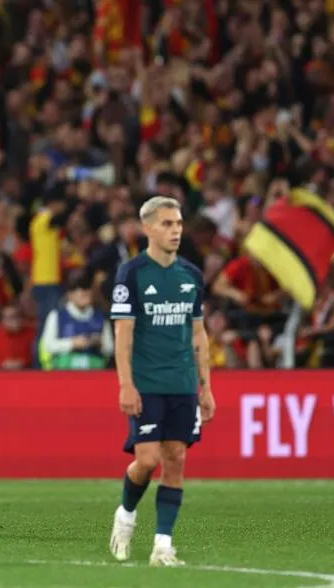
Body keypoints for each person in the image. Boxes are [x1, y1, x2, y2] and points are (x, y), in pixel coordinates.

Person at [107, 196, 216, 565]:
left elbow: (199, 333)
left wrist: (206, 386)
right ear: (148, 228)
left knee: (176, 458)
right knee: (147, 459)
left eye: (179, 223)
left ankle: (163, 546)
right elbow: (123, 335)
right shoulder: (132, 274)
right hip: (147, 382)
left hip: (182, 382)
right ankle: (126, 515)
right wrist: (125, 384)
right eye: (167, 224)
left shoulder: (192, 275)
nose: (176, 231)